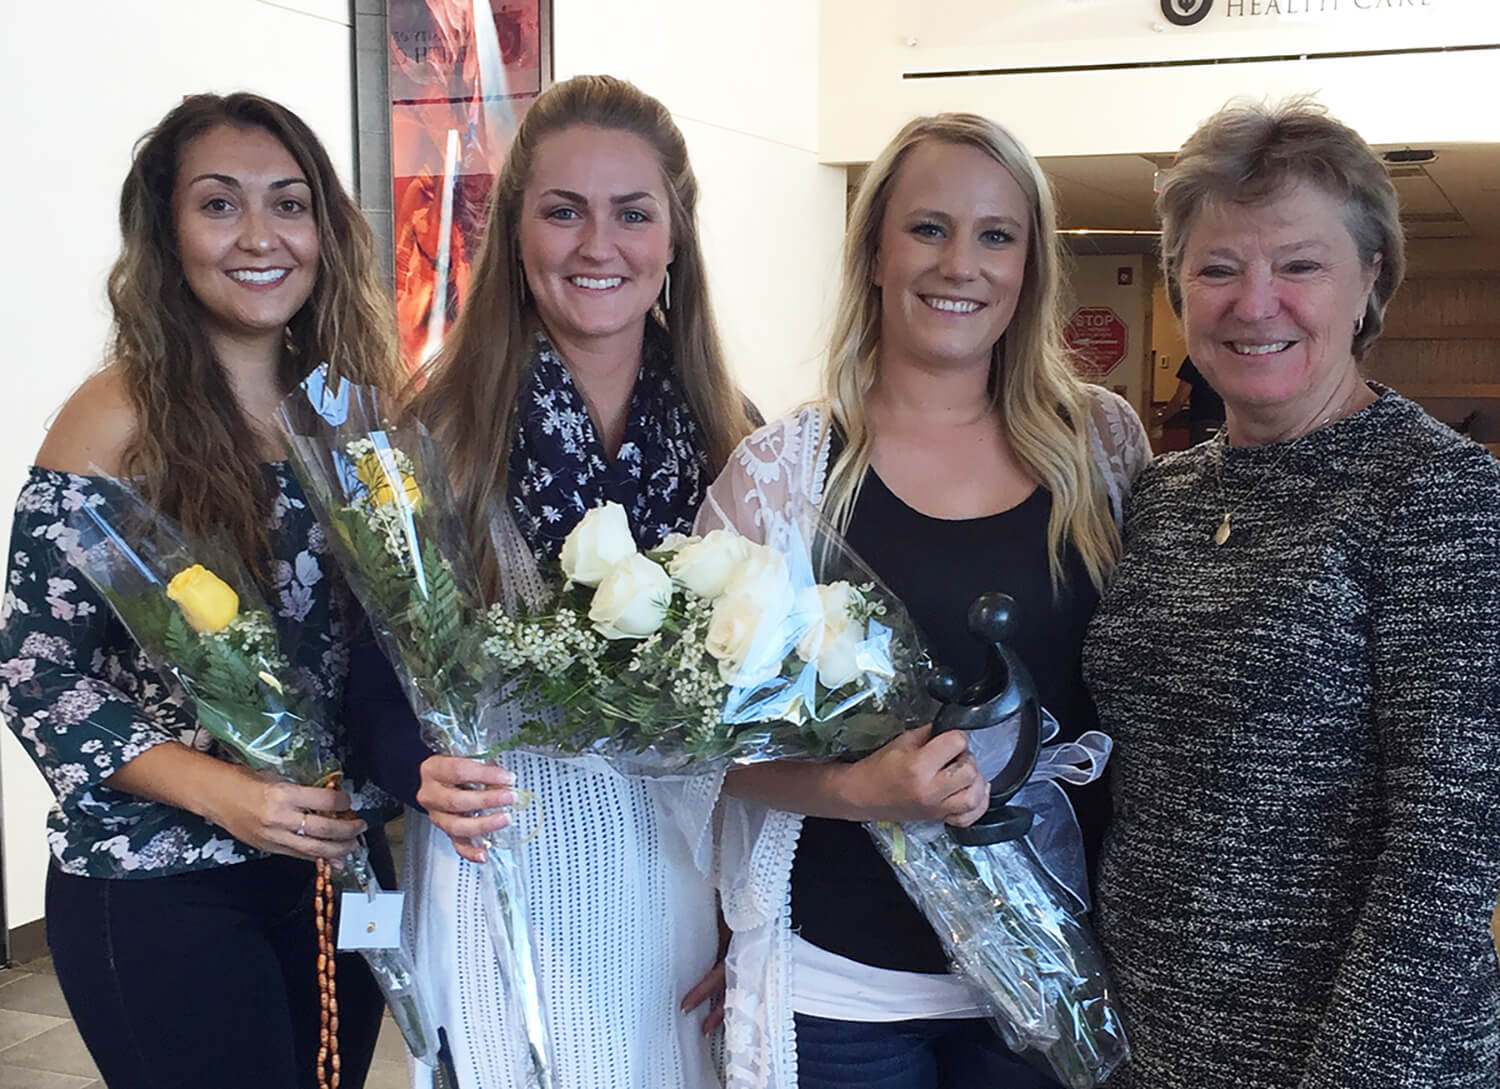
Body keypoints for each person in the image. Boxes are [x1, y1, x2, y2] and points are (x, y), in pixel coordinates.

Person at [695, 113, 1150, 1089]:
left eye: (997, 235)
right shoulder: (785, 476)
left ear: (1029, 265)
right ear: (872, 252)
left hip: (1052, 977)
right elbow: (698, 746)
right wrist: (854, 791)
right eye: (929, 228)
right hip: (845, 992)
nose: (962, 264)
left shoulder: (1101, 450)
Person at [343, 74, 759, 1088]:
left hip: (683, 892)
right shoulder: (437, 434)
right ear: (517, 233)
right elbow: (364, 670)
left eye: (631, 213)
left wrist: (757, 913)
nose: (595, 246)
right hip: (507, 884)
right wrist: (415, 768)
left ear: (674, 238)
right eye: (563, 211)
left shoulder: (733, 435)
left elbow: (765, 709)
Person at [1082, 98, 1500, 1089]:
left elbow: (1446, 861)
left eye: (1299, 265)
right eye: (1219, 268)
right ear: (1180, 291)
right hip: (1142, 1052)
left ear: (1370, 280)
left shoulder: (1443, 496)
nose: (1254, 301)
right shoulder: (1164, 493)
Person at [0, 93, 403, 1088]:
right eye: (220, 205)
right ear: (167, 230)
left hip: (332, 863)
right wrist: (224, 793)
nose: (261, 236)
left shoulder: (351, 411)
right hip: (158, 872)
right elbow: (34, 671)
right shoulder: (116, 416)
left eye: (291, 204)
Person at [1154, 355, 1224, 444]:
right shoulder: (1229, 358)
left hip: (1203, 423)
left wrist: (1159, 420)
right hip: (1229, 424)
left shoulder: (1195, 359)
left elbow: (1180, 399)